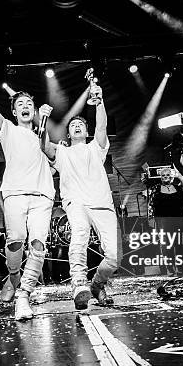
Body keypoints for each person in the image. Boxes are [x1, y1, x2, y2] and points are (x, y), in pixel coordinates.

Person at [0, 66, 55, 321]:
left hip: (42, 195)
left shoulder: (42, 133)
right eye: (20, 103)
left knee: (38, 244)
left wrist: (44, 120)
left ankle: (23, 295)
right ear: (14, 111)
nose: (25, 106)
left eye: (29, 103)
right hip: (15, 194)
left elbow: (51, 151)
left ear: (33, 109)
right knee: (16, 239)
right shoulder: (8, 129)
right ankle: (13, 278)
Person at [40, 83, 118, 310]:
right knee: (79, 238)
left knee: (113, 256)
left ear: (86, 131)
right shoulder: (62, 152)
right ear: (68, 132)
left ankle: (97, 284)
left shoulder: (96, 147)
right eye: (72, 125)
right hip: (76, 203)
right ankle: (78, 285)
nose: (76, 127)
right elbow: (43, 145)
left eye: (80, 125)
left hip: (102, 204)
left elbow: (102, 125)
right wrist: (43, 120)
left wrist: (100, 101)